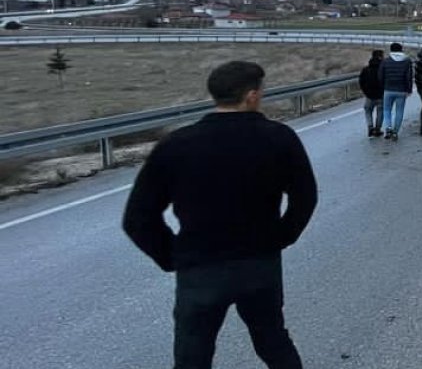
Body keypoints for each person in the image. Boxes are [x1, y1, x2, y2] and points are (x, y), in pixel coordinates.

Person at [122, 61, 316, 369]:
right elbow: (305, 197)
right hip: (259, 263)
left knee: (193, 353)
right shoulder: (279, 138)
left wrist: (171, 255)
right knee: (273, 342)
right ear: (252, 95)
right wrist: (280, 237)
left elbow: (137, 217)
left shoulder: (177, 144)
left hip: (200, 267)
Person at [378, 42, 414, 141]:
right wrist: (409, 89)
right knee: (399, 111)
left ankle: (388, 127)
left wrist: (382, 87)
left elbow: (380, 76)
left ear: (391, 50)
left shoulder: (385, 61)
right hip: (402, 90)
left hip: (388, 89)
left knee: (386, 110)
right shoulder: (407, 61)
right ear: (401, 50)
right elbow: (409, 77)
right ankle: (395, 132)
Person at [358, 49, 385, 137]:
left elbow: (361, 82)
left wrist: (365, 92)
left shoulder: (366, 69)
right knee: (380, 111)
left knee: (368, 110)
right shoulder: (384, 69)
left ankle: (370, 127)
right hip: (381, 94)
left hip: (369, 95)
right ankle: (377, 129)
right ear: (381, 57)